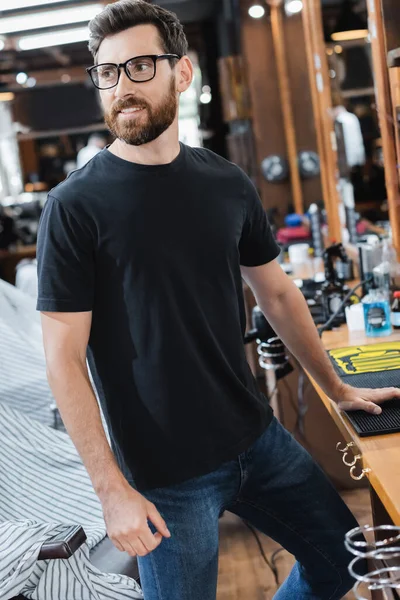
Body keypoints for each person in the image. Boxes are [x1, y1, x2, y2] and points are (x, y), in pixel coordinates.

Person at [36, 2, 400, 599]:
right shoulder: (74, 208)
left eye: (140, 66)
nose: (122, 87)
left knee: (342, 561)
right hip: (163, 476)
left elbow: (278, 294)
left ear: (181, 74)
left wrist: (336, 387)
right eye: (107, 72)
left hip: (256, 439)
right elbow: (63, 360)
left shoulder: (226, 183)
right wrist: (111, 491)